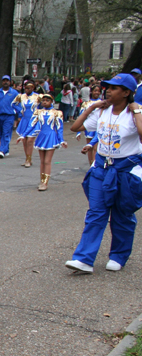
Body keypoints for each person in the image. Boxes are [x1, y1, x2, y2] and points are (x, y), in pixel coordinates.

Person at [65, 73, 142, 274]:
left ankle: (118, 255)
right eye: (107, 86)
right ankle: (84, 259)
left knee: (122, 214)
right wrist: (91, 107)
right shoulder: (102, 112)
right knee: (96, 212)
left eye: (114, 88)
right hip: (102, 168)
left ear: (127, 93)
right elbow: (75, 127)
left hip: (125, 170)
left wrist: (138, 111)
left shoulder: (134, 113)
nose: (108, 90)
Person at [17, 94, 67, 191]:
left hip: (51, 137)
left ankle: (45, 182)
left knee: (47, 161)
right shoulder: (38, 112)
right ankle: (41, 180)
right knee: (42, 161)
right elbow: (31, 125)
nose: (45, 102)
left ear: (52, 102)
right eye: (43, 100)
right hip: (41, 136)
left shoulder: (57, 113)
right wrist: (23, 135)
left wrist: (61, 140)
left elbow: (59, 128)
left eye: (47, 100)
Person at [0, 75, 20, 158]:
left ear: (10, 82)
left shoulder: (14, 93)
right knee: (1, 133)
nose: (5, 82)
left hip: (9, 116)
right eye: (4, 81)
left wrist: (19, 115)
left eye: (7, 81)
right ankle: (6, 149)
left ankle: (2, 150)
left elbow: (19, 104)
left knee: (6, 133)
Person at [13, 81, 40, 168]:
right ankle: (27, 158)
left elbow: (45, 104)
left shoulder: (37, 97)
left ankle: (29, 159)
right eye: (26, 88)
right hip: (25, 120)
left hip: (34, 120)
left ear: (33, 88)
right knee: (24, 141)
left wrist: (39, 112)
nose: (27, 90)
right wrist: (20, 111)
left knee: (30, 140)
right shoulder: (21, 96)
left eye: (29, 88)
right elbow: (13, 104)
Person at [75, 85, 102, 165]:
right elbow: (81, 117)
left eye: (98, 91)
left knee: (95, 148)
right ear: (91, 92)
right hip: (89, 129)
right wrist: (78, 132)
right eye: (95, 90)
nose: (96, 92)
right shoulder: (86, 104)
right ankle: (91, 165)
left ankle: (94, 166)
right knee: (89, 148)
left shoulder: (102, 103)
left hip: (99, 127)